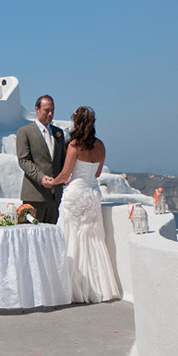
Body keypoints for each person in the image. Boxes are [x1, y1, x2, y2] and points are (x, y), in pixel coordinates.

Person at [48, 106, 121, 304]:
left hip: (76, 193)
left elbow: (65, 174)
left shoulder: (74, 145)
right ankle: (98, 288)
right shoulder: (101, 146)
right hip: (92, 194)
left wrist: (51, 182)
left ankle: (70, 287)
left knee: (70, 238)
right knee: (92, 240)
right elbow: (97, 174)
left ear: (77, 123)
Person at [17, 95, 67, 224]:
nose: (50, 114)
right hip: (35, 195)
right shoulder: (25, 132)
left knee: (51, 238)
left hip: (55, 196)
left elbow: (62, 160)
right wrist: (41, 178)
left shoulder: (59, 133)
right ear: (37, 109)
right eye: (47, 110)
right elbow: (24, 160)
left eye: (53, 111)